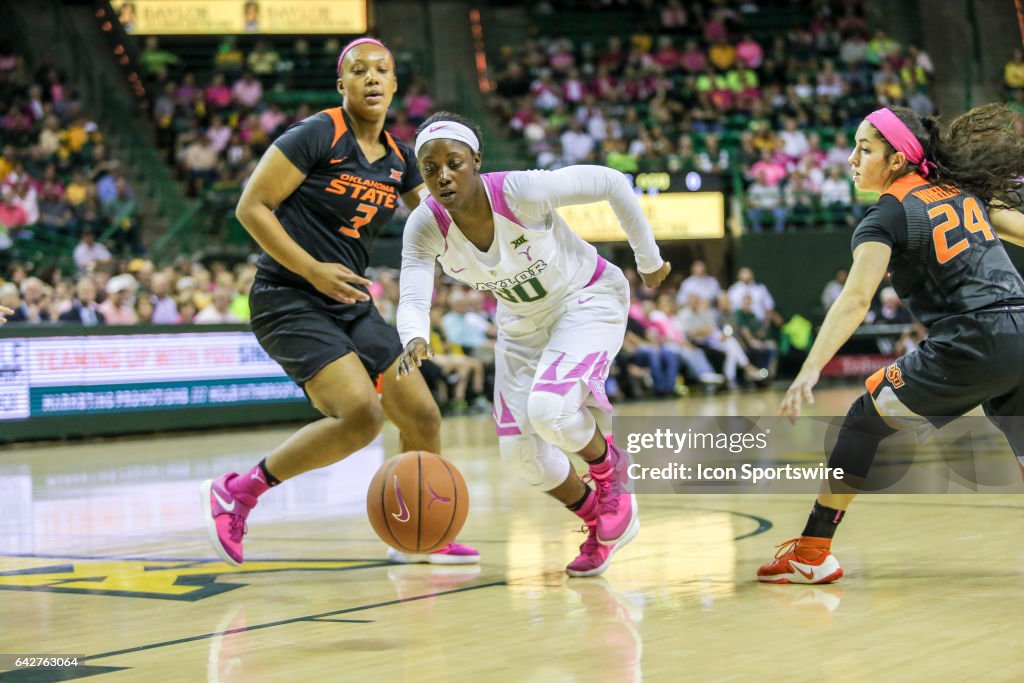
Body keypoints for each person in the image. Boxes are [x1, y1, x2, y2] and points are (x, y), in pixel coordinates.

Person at [200, 39, 478, 568]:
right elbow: (250, 206)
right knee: (361, 416)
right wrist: (311, 269)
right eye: (359, 71)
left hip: (351, 302)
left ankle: (419, 533)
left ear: (395, 86)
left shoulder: (401, 160)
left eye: (382, 71)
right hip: (288, 296)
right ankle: (238, 491)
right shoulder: (318, 133)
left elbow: (443, 230)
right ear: (342, 85)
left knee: (422, 415)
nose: (371, 78)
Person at [758, 104, 1024, 584]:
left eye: (865, 148)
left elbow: (856, 298)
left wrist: (809, 368)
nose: (852, 159)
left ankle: (813, 553)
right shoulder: (966, 192)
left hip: (973, 339)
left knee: (861, 423)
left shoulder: (888, 214)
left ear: (897, 160)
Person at [396, 112, 671, 576]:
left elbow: (612, 182)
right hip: (521, 324)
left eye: (454, 163)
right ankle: (602, 524)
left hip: (586, 299)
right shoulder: (425, 225)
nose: (442, 175)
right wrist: (415, 335)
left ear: (476, 160)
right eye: (430, 168)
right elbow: (412, 291)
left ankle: (612, 476)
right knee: (522, 458)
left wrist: (649, 258)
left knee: (551, 412)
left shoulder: (520, 191)